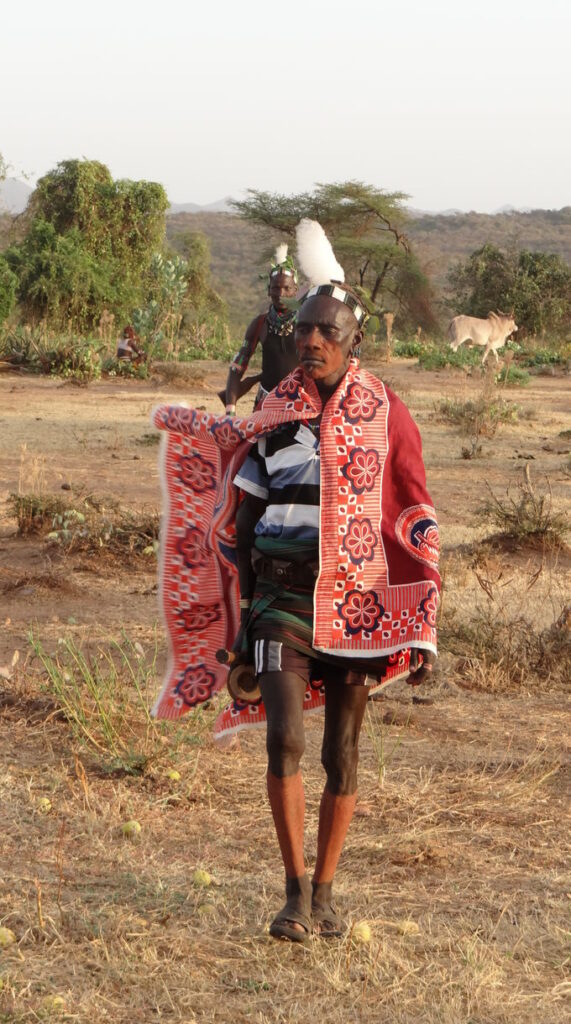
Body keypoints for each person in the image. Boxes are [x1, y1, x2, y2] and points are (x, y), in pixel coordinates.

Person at [150, 220, 440, 945]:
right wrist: (241, 618)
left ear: (353, 343)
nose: (311, 342)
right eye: (305, 328)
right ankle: (290, 895)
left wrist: (421, 620)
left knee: (340, 752)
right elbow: (240, 519)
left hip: (358, 602)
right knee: (283, 741)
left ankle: (327, 890)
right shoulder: (273, 418)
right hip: (281, 600)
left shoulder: (386, 414)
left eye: (326, 333)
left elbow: (410, 506)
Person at [223, 245, 299, 413]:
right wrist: (230, 411)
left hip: (301, 407)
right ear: (268, 291)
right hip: (266, 406)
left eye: (287, 288)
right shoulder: (259, 324)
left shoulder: (306, 323)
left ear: (295, 291)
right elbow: (237, 369)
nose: (280, 293)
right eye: (275, 288)